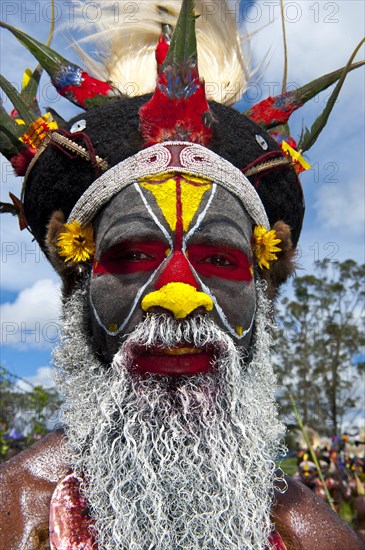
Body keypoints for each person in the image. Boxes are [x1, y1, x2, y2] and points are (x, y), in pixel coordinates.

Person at [0, 1, 363, 548]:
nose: (177, 296)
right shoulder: (16, 517)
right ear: (79, 287)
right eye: (133, 257)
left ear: (260, 298)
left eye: (219, 261)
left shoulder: (313, 537)